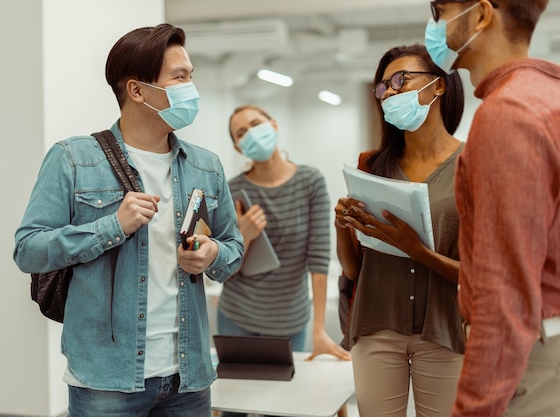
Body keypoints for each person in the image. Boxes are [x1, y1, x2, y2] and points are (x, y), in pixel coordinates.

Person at [13, 24, 244, 417]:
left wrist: (213, 254)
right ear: (137, 91)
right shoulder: (73, 158)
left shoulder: (206, 165)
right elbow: (28, 250)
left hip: (189, 376)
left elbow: (233, 248)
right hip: (107, 378)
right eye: (180, 77)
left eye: (191, 76)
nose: (192, 88)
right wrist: (111, 227)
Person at [423, 1, 560, 416]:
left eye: (439, 9)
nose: (434, 24)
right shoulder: (547, 96)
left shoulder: (507, 115)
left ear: (482, 16)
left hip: (530, 356)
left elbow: (506, 295)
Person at [335, 44, 466, 417]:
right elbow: (353, 269)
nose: (389, 92)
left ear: (438, 86)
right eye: (383, 87)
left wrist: (417, 250)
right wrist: (342, 223)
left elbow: (482, 274)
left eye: (400, 80)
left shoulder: (473, 165)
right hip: (376, 323)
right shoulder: (371, 165)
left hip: (445, 330)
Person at [217, 104, 352, 410]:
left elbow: (318, 259)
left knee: (285, 407)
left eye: (255, 124)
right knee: (233, 406)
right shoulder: (232, 190)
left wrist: (319, 329)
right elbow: (222, 269)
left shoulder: (310, 182)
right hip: (238, 315)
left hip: (290, 321)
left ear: (273, 125)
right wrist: (243, 236)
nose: (251, 133)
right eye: (241, 132)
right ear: (238, 146)